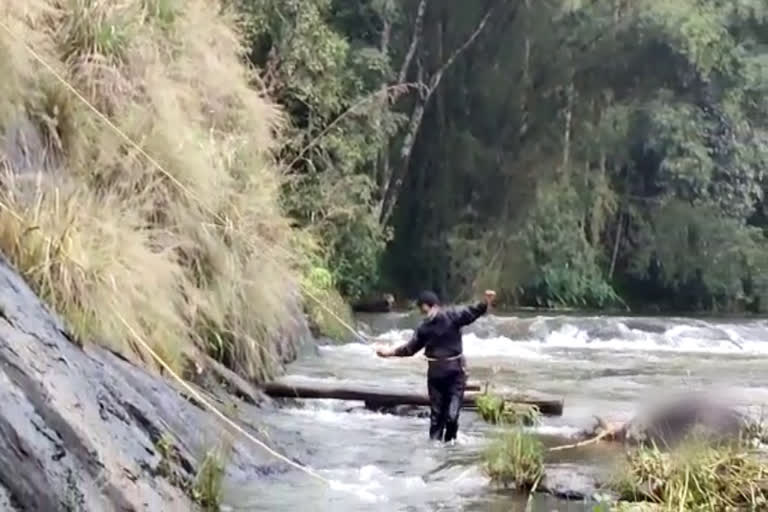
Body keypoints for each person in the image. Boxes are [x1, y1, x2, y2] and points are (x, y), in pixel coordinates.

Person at [375, 289, 496, 442]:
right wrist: (388, 352)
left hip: (456, 375)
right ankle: (435, 453)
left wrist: (486, 302)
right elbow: (410, 349)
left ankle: (450, 449)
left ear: (428, 306)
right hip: (435, 377)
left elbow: (471, 312)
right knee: (436, 419)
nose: (422, 312)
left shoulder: (452, 316)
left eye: (422, 308)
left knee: (452, 417)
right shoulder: (424, 328)